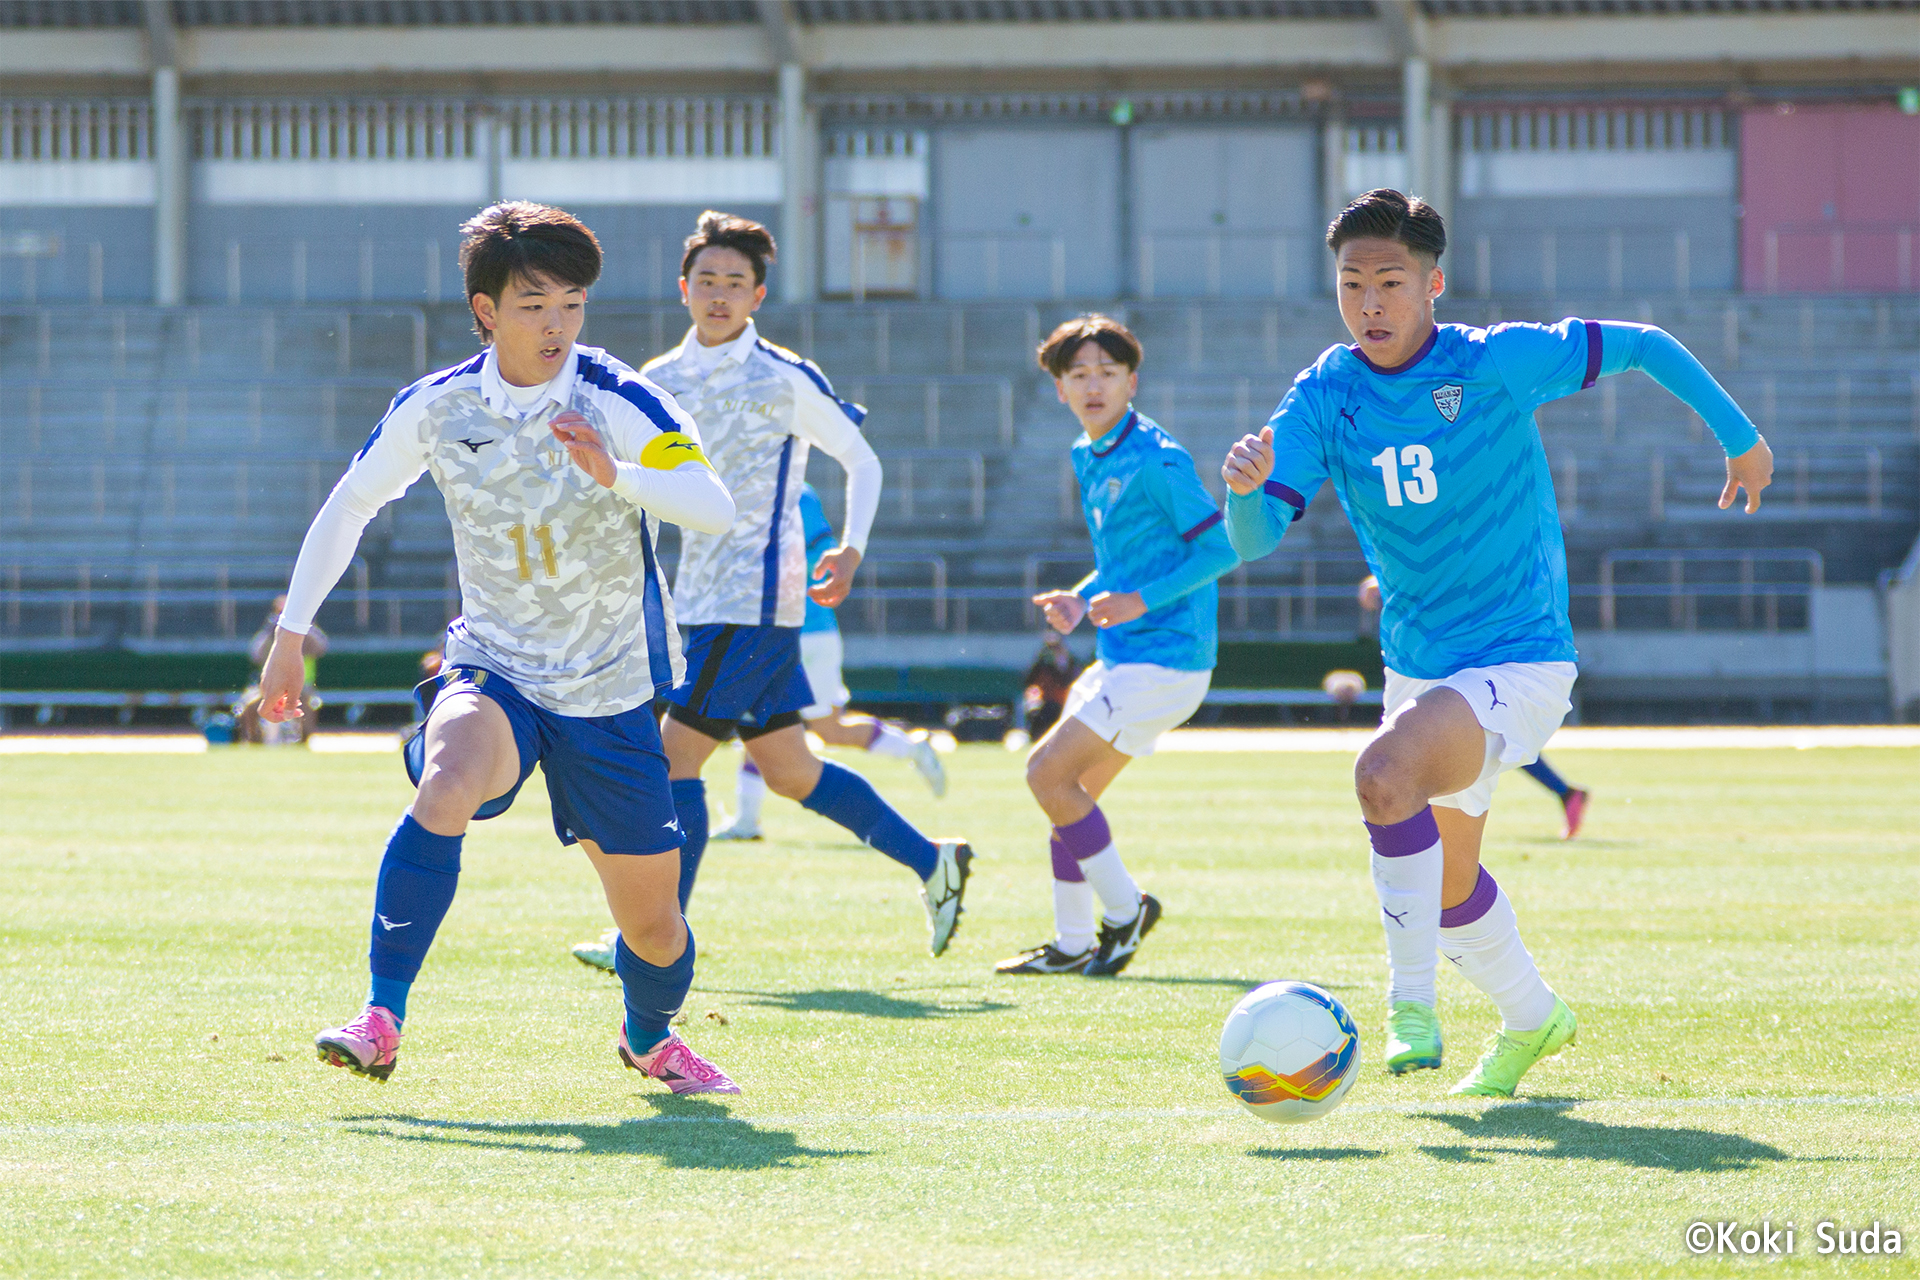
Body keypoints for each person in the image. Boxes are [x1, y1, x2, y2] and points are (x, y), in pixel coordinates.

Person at [1223, 188, 1772, 1096]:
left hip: (1519, 661)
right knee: (1445, 886)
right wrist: (1246, 489)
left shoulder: (1495, 362)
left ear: (1435, 283)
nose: (1369, 303)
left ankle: (1409, 1006)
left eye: (1391, 281)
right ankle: (1532, 1019)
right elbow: (1254, 541)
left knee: (1380, 776)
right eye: (1352, 283)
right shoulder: (1326, 390)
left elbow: (1642, 343)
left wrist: (1740, 438)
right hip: (1420, 671)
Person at [258, 201, 741, 1095]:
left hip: (609, 688)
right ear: (486, 310)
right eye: (533, 305)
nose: (556, 324)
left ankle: (648, 1036)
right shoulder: (440, 407)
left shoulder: (620, 399)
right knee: (445, 782)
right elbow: (349, 505)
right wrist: (291, 636)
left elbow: (713, 505)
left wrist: (617, 474)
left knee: (656, 932)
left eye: (571, 303)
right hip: (495, 665)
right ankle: (380, 1016)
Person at [637, 210, 971, 955]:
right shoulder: (656, 382)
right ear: (683, 287)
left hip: (758, 599)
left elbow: (863, 460)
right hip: (698, 601)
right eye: (707, 280)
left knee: (673, 761)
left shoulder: (784, 377)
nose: (719, 294)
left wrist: (851, 548)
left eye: (736, 282)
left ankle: (657, 936)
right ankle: (934, 861)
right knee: (790, 770)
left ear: (758, 295)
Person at [996, 315, 1239, 978]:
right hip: (1125, 656)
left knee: (1046, 774)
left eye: (1107, 372)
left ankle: (1126, 910)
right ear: (1059, 389)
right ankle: (1073, 944)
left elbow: (1220, 549)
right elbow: (1126, 560)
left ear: (1132, 381)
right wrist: (1083, 596)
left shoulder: (1159, 458)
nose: (1093, 384)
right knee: (1065, 797)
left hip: (1168, 659)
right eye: (1079, 374)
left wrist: (1138, 602)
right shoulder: (1086, 452)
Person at [713, 481, 948, 839]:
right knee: (759, 723)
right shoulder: (762, 485)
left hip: (807, 631)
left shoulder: (797, 493)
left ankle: (912, 749)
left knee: (828, 729)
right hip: (780, 630)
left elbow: (822, 554)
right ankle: (747, 822)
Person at [1363, 575, 1589, 838]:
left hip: (1483, 639)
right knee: (1494, 738)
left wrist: (1385, 579)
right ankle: (1565, 792)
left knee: (1490, 737)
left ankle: (1564, 792)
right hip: (1462, 638)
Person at [239, 595, 326, 744]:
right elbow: (256, 654)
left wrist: (302, 629)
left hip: (300, 686)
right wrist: (270, 632)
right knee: (249, 706)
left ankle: (304, 740)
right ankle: (254, 740)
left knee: (307, 705)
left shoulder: (307, 635)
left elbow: (320, 647)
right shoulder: (269, 635)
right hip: (272, 685)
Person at [1016, 631, 1083, 743]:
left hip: (1064, 703)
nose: (1052, 651)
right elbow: (1027, 681)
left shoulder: (1071, 663)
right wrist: (1040, 659)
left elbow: (1068, 680)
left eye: (1055, 647)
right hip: (1045, 703)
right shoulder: (1042, 664)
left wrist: (1061, 664)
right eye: (1049, 648)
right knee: (1038, 713)